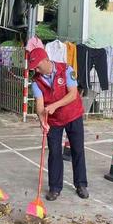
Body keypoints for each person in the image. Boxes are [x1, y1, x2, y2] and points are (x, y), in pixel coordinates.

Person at [29, 48, 89, 201]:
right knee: (54, 152)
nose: (36, 69)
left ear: (46, 60)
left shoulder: (66, 69)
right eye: (33, 67)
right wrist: (42, 121)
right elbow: (40, 105)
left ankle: (81, 184)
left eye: (37, 66)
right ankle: (55, 188)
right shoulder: (36, 81)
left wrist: (55, 105)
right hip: (53, 120)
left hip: (73, 115)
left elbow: (73, 94)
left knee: (77, 149)